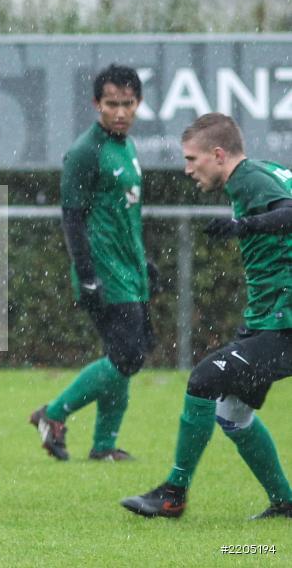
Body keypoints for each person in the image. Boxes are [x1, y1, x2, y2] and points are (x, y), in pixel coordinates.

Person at [121, 112, 292, 519]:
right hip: (269, 318)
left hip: (287, 322)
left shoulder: (249, 179)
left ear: (218, 154)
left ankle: (173, 494)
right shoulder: (261, 173)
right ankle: (285, 503)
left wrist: (243, 225)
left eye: (192, 159)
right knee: (232, 411)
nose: (187, 169)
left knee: (204, 378)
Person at [29, 63, 158, 462]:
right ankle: (52, 414)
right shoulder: (87, 151)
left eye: (128, 104)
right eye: (111, 104)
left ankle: (103, 446)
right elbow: (72, 217)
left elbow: (123, 214)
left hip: (129, 270)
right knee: (127, 356)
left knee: (122, 357)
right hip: (104, 273)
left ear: (138, 104)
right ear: (96, 104)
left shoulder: (127, 147)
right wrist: (86, 274)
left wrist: (144, 260)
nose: (120, 112)